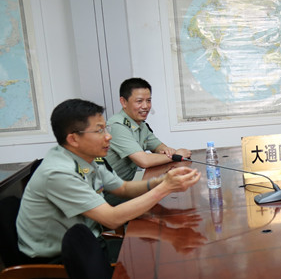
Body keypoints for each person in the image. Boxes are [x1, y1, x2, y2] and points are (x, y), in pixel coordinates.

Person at [16, 99, 201, 262]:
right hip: (61, 261)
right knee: (157, 261)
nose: (108, 136)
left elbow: (123, 188)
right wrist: (165, 188)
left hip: (88, 244)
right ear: (73, 139)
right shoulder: (58, 173)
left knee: (158, 252)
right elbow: (112, 219)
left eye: (106, 128)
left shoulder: (87, 158)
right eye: (99, 130)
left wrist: (161, 181)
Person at [106, 78, 192, 181]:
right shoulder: (117, 126)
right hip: (107, 190)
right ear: (123, 102)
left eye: (148, 100)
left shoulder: (140, 124)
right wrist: (176, 155)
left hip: (124, 185)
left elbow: (158, 146)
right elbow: (144, 161)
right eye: (139, 101)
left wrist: (166, 150)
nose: (145, 106)